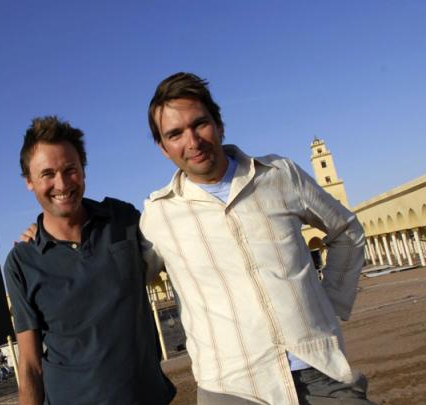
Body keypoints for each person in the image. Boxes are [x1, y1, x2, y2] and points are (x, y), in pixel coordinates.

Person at [141, 72, 375, 404]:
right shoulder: (157, 215)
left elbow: (346, 230)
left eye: (200, 124)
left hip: (319, 371)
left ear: (219, 124)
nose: (192, 141)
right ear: (163, 148)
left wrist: (332, 300)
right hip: (231, 387)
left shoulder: (280, 175)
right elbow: (122, 281)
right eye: (175, 134)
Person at [4, 116, 175, 405]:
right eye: (47, 174)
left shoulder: (123, 219)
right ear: (29, 182)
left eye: (70, 169)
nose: (61, 183)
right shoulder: (22, 262)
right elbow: (31, 365)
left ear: (83, 169)